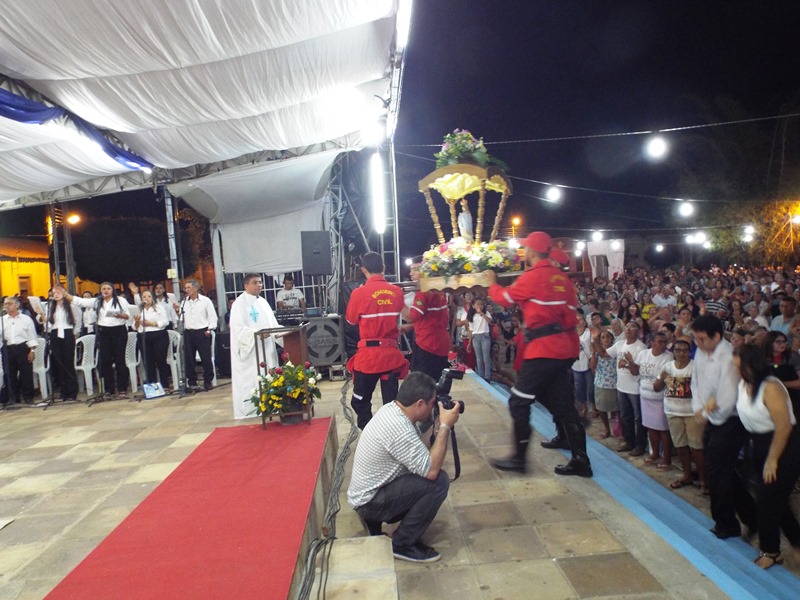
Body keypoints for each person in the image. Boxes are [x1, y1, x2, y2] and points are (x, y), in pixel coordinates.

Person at [485, 232, 591, 477]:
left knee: (519, 401)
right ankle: (579, 458)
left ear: (532, 252)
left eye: (525, 249)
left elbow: (504, 298)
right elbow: (570, 315)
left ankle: (519, 459)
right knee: (562, 404)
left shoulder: (532, 277)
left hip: (542, 350)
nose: (523, 253)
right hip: (563, 347)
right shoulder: (562, 279)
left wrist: (491, 282)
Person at [347, 372, 460, 563]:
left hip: (368, 493)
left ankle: (377, 523)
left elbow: (419, 449)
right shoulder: (398, 427)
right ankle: (402, 544)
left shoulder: (393, 410)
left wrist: (437, 427)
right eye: (432, 403)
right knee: (438, 482)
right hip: (369, 502)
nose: (434, 406)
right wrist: (446, 429)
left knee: (425, 475)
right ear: (419, 404)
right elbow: (431, 471)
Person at [690, 315, 757, 540]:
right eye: (695, 339)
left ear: (716, 336)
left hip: (730, 420)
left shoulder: (728, 356)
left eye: (701, 339)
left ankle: (726, 524)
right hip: (711, 417)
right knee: (724, 472)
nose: (697, 344)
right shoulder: (700, 352)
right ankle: (751, 516)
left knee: (716, 473)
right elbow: (696, 381)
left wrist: (709, 414)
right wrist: (698, 406)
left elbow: (728, 396)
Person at [733, 344, 800, 569]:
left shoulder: (770, 387)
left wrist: (773, 459)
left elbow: (783, 426)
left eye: (736, 365)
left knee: (767, 502)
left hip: (783, 447)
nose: (733, 370)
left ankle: (771, 551)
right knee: (777, 501)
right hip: (760, 445)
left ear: (749, 365)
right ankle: (798, 542)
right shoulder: (744, 384)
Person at [346, 252, 408, 429]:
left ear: (363, 269)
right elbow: (409, 315)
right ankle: (391, 436)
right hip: (391, 357)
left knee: (359, 401)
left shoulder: (359, 293)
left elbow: (351, 321)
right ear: (384, 268)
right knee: (392, 405)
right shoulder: (396, 291)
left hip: (369, 359)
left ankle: (370, 435)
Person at [655, 339, 704, 491]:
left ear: (690, 352)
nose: (682, 353)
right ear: (673, 352)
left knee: (697, 447)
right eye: (678, 350)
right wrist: (662, 378)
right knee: (681, 445)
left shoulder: (696, 367)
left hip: (692, 413)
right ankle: (687, 475)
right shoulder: (667, 367)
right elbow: (656, 388)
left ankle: (704, 480)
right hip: (672, 411)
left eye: (685, 350)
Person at [229, 274, 281, 419]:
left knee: (269, 375)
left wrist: (284, 333)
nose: (259, 285)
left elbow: (273, 325)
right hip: (251, 351)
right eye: (255, 282)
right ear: (246, 286)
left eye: (260, 282)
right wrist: (256, 333)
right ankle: (251, 409)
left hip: (267, 348)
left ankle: (272, 406)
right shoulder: (239, 304)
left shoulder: (263, 302)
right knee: (252, 380)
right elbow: (238, 328)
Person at [67, 283, 131, 399]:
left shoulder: (120, 300)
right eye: (103, 289)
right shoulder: (98, 301)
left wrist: (120, 316)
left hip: (118, 331)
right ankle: (109, 389)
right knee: (105, 360)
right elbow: (82, 302)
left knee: (119, 359)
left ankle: (122, 388)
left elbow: (128, 315)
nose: (106, 291)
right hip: (103, 332)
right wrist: (66, 295)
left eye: (108, 289)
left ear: (112, 290)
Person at [597, 321, 647, 455]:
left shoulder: (641, 348)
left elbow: (636, 372)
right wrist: (595, 339)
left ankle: (640, 445)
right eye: (627, 327)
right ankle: (629, 442)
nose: (628, 330)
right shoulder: (620, 344)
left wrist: (629, 362)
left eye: (633, 327)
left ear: (638, 330)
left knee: (638, 418)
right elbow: (603, 354)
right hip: (621, 387)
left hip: (634, 389)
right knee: (625, 416)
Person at [629, 331, 673, 469]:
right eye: (660, 341)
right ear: (652, 342)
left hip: (659, 398)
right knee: (650, 427)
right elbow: (636, 372)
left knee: (663, 429)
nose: (663, 344)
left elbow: (664, 379)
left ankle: (666, 458)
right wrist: (630, 362)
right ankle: (654, 453)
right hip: (645, 396)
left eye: (665, 342)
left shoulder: (668, 357)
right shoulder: (644, 354)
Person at [38, 286, 82, 402]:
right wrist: (41, 315)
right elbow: (46, 323)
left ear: (64, 292)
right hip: (54, 333)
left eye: (58, 292)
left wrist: (75, 333)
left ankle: (72, 391)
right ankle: (64, 391)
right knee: (58, 363)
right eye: (54, 293)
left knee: (68, 361)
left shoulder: (71, 306)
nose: (56, 294)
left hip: (67, 333)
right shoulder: (49, 306)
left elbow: (78, 320)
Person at [407, 273, 450, 383]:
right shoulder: (440, 292)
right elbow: (439, 319)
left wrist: (397, 302)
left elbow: (411, 317)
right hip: (442, 344)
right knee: (436, 384)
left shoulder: (423, 292)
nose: (411, 273)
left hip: (427, 345)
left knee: (420, 385)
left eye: (415, 269)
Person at [175, 279, 218, 392]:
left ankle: (208, 381)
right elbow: (181, 318)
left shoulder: (205, 301)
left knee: (205, 358)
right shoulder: (184, 302)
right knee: (189, 358)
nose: (186, 290)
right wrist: (177, 311)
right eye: (186, 288)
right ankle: (192, 381)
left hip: (202, 331)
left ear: (195, 288)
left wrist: (209, 329)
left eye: (189, 287)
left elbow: (212, 316)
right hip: (189, 332)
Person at [0, 296, 38, 407]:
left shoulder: (26, 319)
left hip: (22, 347)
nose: (7, 306)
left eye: (9, 303)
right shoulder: (2, 320)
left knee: (26, 373)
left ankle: (28, 397)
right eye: (5, 304)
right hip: (8, 348)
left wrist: (32, 350)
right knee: (9, 374)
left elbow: (32, 335)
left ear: (17, 305)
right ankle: (13, 398)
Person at [134, 290, 171, 392]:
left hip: (158, 335)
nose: (146, 298)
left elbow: (165, 322)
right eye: (144, 296)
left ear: (152, 298)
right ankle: (152, 386)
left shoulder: (159, 308)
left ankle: (165, 385)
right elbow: (135, 326)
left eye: (149, 296)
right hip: (143, 336)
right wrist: (137, 322)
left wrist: (151, 324)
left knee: (160, 360)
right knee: (148, 361)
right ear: (141, 299)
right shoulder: (138, 310)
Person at [466, 298, 492, 381]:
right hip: (475, 337)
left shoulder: (486, 313)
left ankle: (487, 376)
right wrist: (469, 343)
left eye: (481, 304)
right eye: (478, 304)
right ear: (473, 306)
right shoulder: (471, 316)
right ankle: (480, 375)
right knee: (478, 358)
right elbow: (471, 329)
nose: (480, 306)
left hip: (484, 336)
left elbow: (489, 321)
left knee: (486, 357)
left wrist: (481, 313)